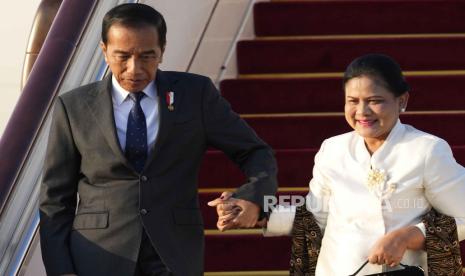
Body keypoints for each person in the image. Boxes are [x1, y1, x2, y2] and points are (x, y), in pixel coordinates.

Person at [39, 3, 277, 276]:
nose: (134, 69)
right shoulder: (74, 107)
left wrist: (254, 198)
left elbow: (256, 153)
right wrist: (61, 270)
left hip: (174, 253)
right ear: (104, 51)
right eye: (123, 56)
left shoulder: (195, 94)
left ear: (162, 50)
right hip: (97, 256)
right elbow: (55, 199)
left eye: (147, 56)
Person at [210, 54, 465, 275]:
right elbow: (315, 215)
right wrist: (258, 211)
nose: (362, 112)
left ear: (402, 101)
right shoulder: (333, 149)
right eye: (352, 101)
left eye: (375, 100)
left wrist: (407, 236)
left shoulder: (426, 150)